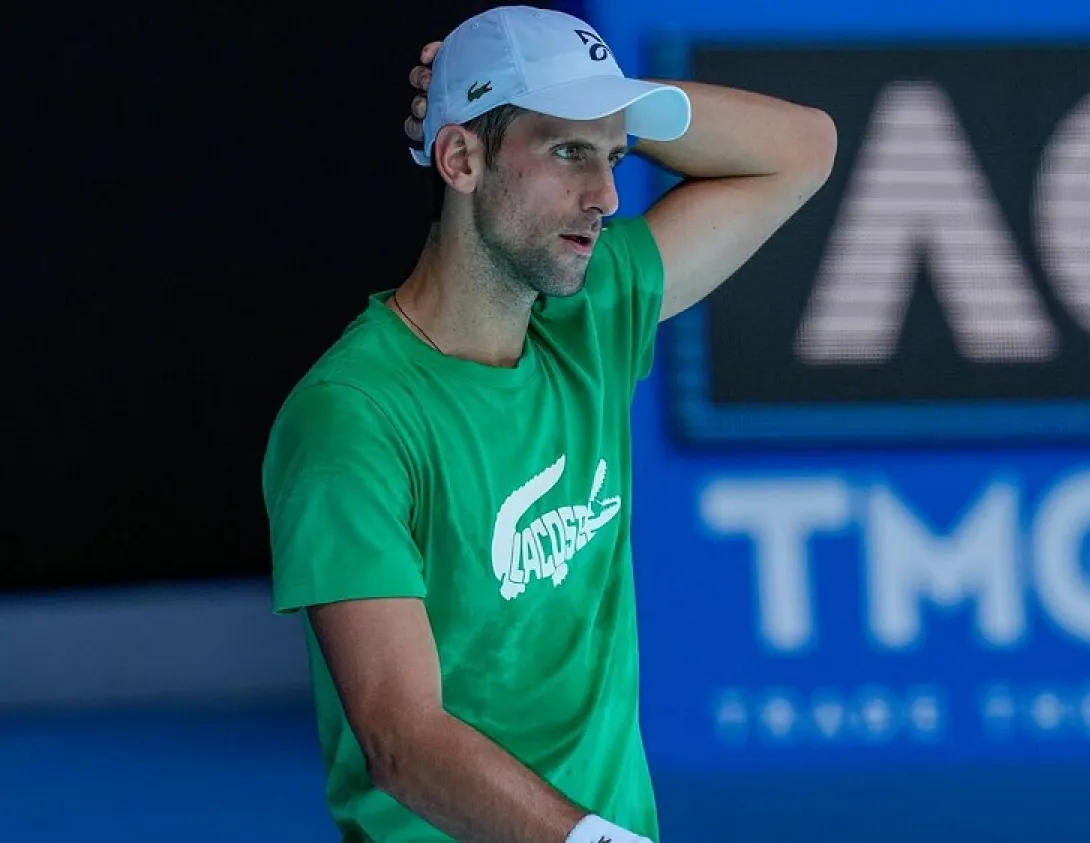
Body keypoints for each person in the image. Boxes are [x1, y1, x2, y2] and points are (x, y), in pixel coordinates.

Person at [261, 5, 836, 843]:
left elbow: (804, 148)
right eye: (569, 152)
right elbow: (401, 739)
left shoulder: (591, 317)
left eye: (615, 156)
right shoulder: (349, 419)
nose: (606, 196)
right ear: (461, 159)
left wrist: (603, 99)